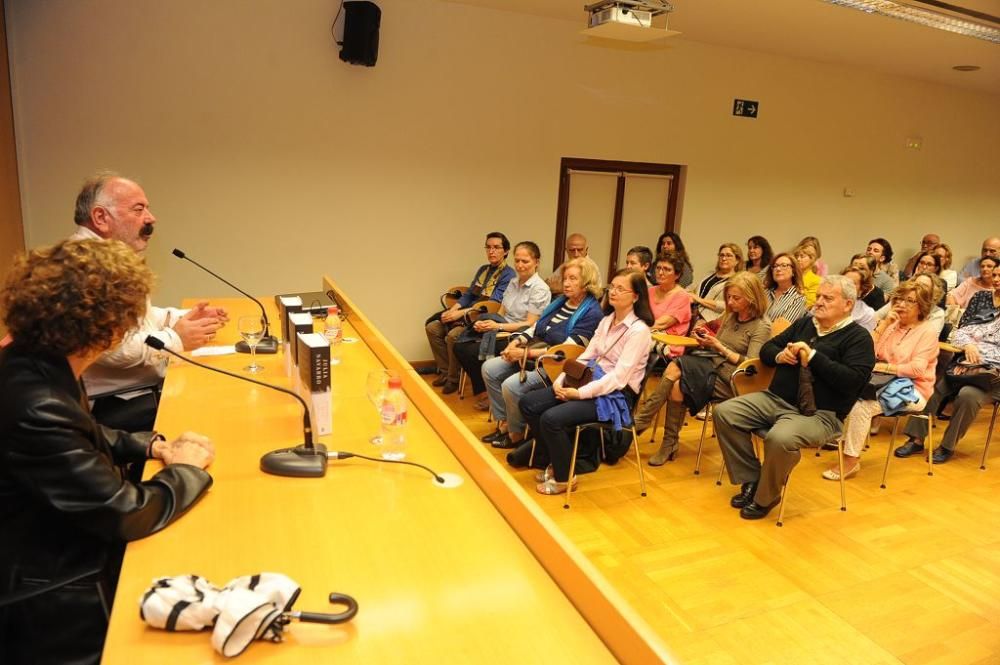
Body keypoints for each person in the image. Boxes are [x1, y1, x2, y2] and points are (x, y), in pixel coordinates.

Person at [0, 239, 215, 664]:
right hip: (52, 595)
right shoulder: (35, 401)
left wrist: (149, 443)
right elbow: (125, 513)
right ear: (109, 326)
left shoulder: (34, 361)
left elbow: (80, 431)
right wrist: (187, 470)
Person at [70, 173, 228, 432]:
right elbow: (111, 349)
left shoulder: (106, 256)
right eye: (138, 209)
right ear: (100, 218)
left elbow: (139, 317)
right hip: (118, 400)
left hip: (137, 389)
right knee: (211, 405)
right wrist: (176, 339)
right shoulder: (85, 267)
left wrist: (181, 318)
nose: (151, 218)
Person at [714, 276, 876, 520]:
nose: (819, 302)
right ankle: (751, 479)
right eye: (818, 296)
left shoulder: (859, 338)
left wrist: (812, 356)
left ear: (848, 305)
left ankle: (765, 496)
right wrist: (780, 356)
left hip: (821, 414)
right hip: (775, 399)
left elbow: (852, 381)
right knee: (725, 412)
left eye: (827, 298)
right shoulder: (805, 324)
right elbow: (768, 349)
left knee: (780, 437)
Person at [519, 270, 653, 495]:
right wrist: (561, 379)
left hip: (615, 395)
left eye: (621, 289)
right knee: (528, 403)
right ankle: (557, 460)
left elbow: (618, 378)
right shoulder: (607, 320)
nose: (613, 292)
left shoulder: (639, 331)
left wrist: (578, 394)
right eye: (612, 287)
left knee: (552, 418)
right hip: (588, 378)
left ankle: (564, 478)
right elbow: (586, 356)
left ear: (636, 296)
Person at [633, 272, 770, 466]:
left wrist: (718, 346)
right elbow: (717, 345)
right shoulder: (731, 316)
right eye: (728, 297)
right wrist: (705, 340)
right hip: (712, 367)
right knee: (676, 383)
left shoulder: (761, 326)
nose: (730, 302)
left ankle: (646, 420)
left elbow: (750, 366)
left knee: (676, 370)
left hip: (734, 381)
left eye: (736, 298)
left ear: (752, 297)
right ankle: (668, 442)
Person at [481, 258, 603, 451]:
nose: (566, 283)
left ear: (587, 282)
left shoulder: (592, 313)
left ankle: (517, 433)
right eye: (565, 278)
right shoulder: (560, 301)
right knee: (490, 368)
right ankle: (504, 423)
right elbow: (535, 327)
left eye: (573, 279)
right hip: (534, 354)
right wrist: (516, 342)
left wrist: (524, 354)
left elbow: (565, 352)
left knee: (511, 386)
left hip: (556, 367)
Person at [823, 280, 939, 480]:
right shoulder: (893, 325)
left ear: (922, 306)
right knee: (843, 387)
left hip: (913, 389)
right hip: (882, 381)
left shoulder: (928, 331)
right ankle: (837, 438)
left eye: (909, 301)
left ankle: (850, 460)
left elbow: (917, 368)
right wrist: (884, 324)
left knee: (862, 406)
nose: (901, 304)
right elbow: (869, 353)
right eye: (899, 299)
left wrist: (882, 366)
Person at [894, 264, 1000, 464]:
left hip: (993, 375)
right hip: (965, 363)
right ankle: (916, 439)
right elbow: (961, 330)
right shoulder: (981, 298)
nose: (996, 279)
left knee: (967, 396)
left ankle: (947, 446)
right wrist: (968, 344)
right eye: (994, 275)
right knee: (930, 388)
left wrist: (984, 351)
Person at [452, 241, 551, 401]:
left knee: (472, 351)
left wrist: (498, 326)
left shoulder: (540, 289)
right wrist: (488, 324)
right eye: (517, 260)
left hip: (519, 336)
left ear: (536, 262)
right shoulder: (513, 282)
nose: (520, 265)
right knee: (460, 345)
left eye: (525, 261)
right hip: (502, 326)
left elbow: (530, 324)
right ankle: (484, 391)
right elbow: (501, 312)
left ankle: (488, 394)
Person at [425, 232, 515, 391]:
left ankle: (453, 379)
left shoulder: (508, 274)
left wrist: (460, 313)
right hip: (466, 312)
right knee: (432, 327)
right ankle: (446, 371)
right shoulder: (483, 270)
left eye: (496, 247)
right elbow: (468, 295)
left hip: (481, 317)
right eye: (488, 247)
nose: (491, 251)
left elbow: (493, 303)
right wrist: (453, 310)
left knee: (453, 336)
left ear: (506, 251)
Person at [648, 251, 693, 346]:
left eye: (667, 269)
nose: (660, 272)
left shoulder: (682, 296)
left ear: (677, 275)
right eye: (658, 268)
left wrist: (634, 329)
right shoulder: (650, 291)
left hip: (667, 344)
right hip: (647, 335)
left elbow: (661, 324)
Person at [690, 242, 742, 322]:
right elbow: (693, 288)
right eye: (722, 255)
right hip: (692, 316)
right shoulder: (709, 275)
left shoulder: (737, 281)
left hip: (711, 321)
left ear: (737, 260)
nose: (724, 258)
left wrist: (701, 300)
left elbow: (729, 305)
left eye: (728, 255)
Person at [763, 252, 807, 323]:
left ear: (793, 271)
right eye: (775, 266)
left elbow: (784, 329)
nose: (778, 269)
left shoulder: (798, 298)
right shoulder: (764, 292)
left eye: (784, 265)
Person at [840, 267, 877, 332]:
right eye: (843, 281)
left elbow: (861, 339)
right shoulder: (826, 302)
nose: (845, 285)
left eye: (852, 283)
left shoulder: (867, 314)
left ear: (861, 290)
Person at [793, 244, 821, 308]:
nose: (798, 259)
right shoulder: (791, 276)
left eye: (802, 256)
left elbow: (809, 304)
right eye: (796, 256)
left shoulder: (816, 280)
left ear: (811, 259)